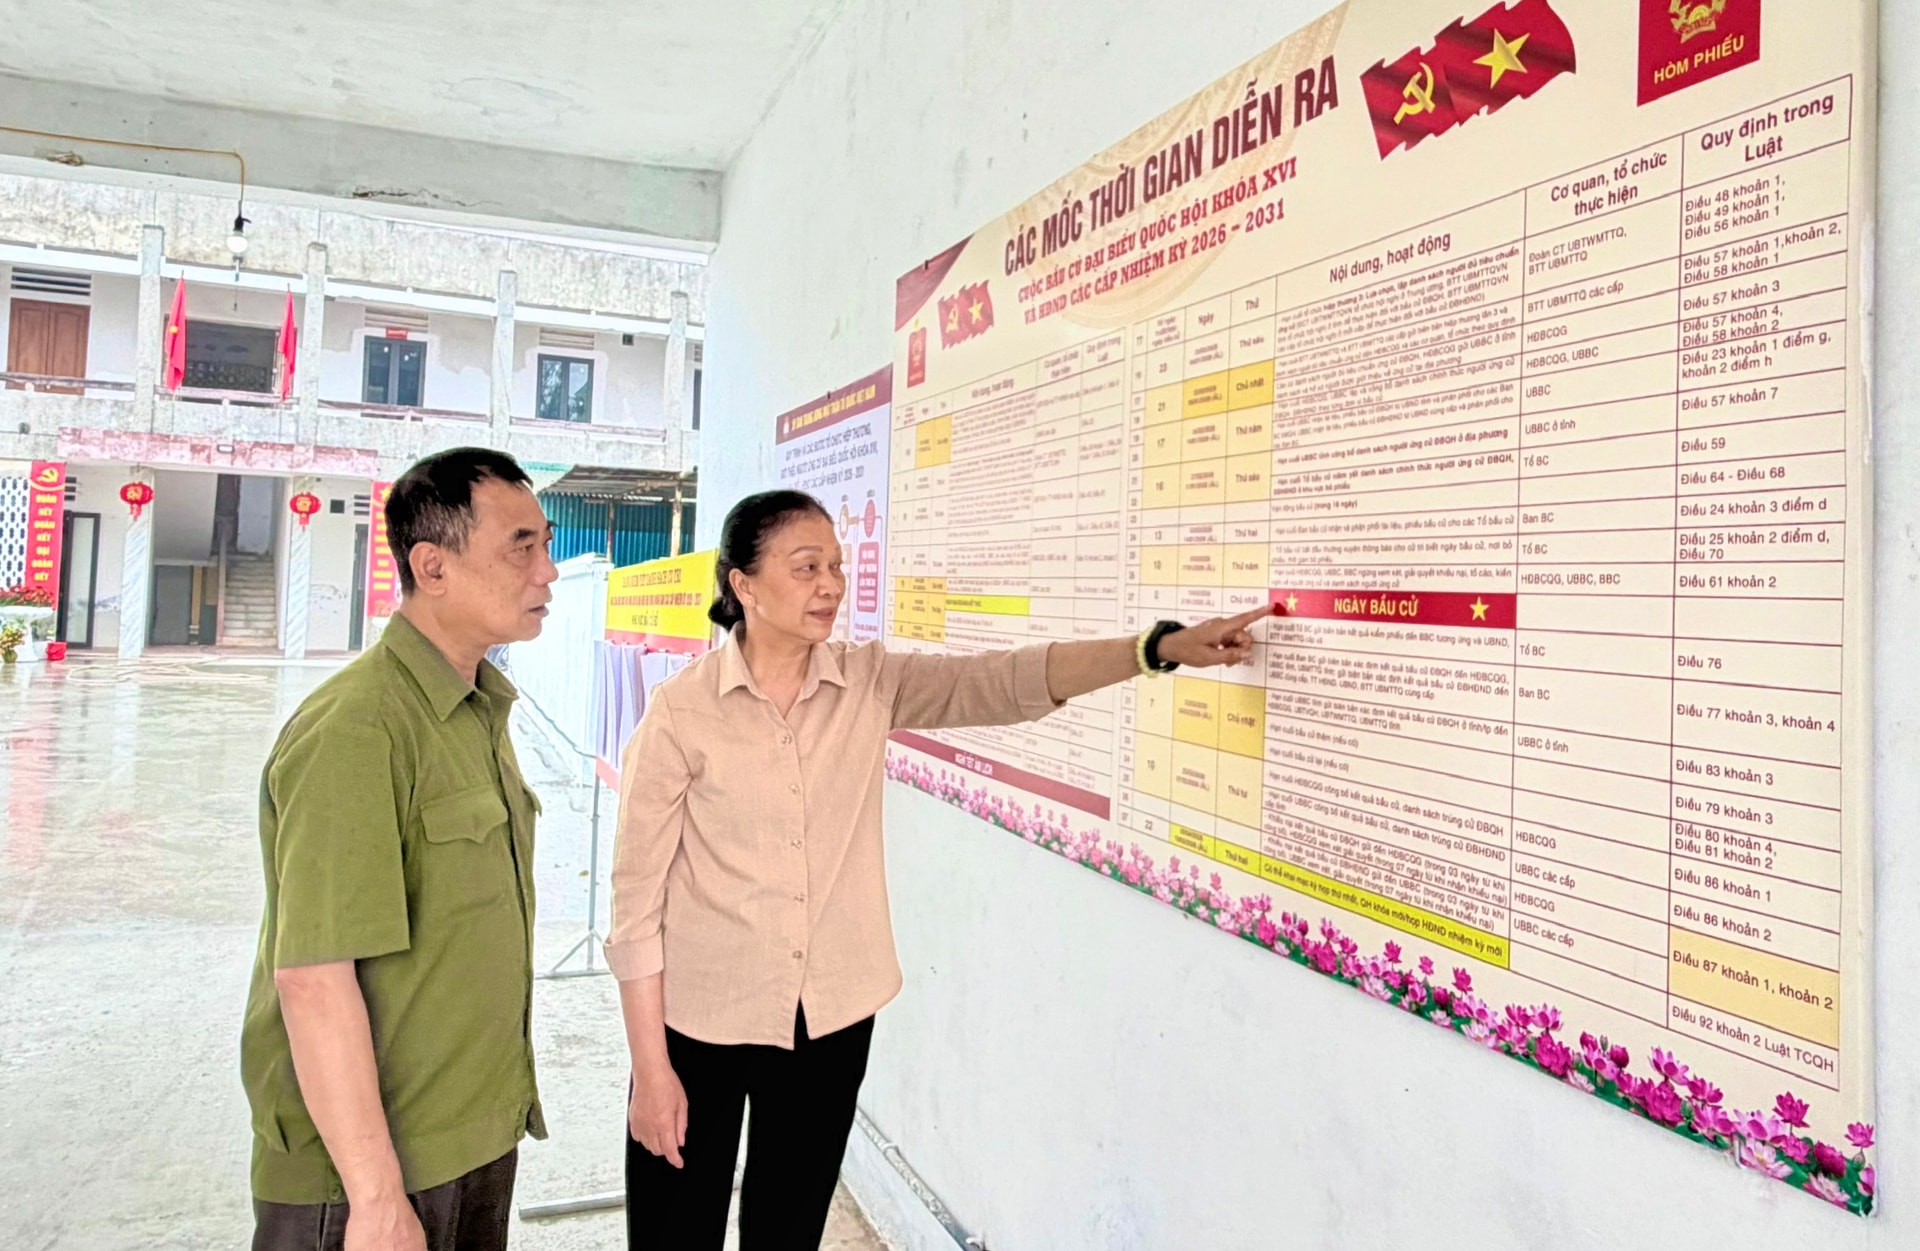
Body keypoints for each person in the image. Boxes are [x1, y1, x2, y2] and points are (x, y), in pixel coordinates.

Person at [609, 489, 1270, 1249]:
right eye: (806, 567)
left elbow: (1002, 680)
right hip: (699, 1021)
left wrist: (1155, 649)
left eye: (837, 566)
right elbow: (635, 902)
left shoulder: (868, 681)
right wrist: (651, 1069)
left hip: (829, 1018)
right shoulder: (681, 711)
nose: (830, 585)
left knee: (786, 1231)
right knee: (673, 1232)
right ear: (744, 585)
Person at [241, 448, 559, 1251]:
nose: (547, 571)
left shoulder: (475, 709)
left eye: (545, 543)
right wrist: (377, 1198)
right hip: (366, 1178)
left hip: (469, 1139)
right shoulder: (359, 728)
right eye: (521, 546)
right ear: (432, 566)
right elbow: (314, 978)